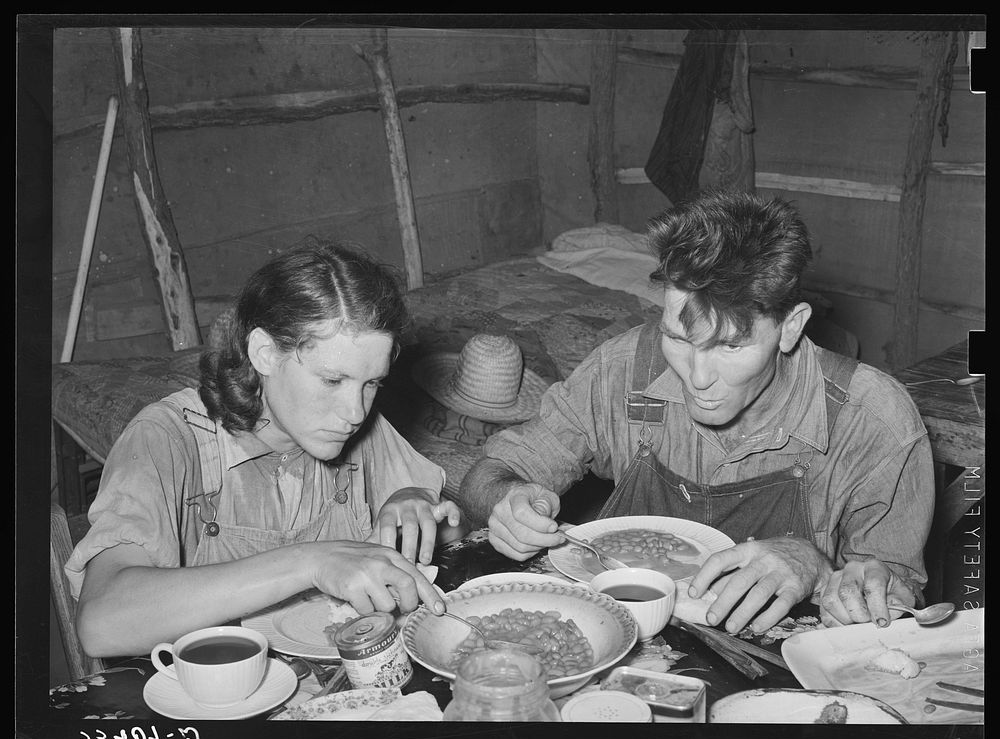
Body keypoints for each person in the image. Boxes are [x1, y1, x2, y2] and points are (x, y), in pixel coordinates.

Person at [459, 188, 934, 634]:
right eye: (679, 338)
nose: (698, 377)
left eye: (729, 346)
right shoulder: (622, 370)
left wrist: (818, 567)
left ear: (791, 328)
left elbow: (895, 600)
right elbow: (493, 472)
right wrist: (508, 500)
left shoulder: (875, 419)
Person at [67, 238, 466, 657]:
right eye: (332, 380)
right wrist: (313, 562)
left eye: (372, 383)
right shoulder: (167, 437)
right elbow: (100, 624)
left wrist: (413, 502)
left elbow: (455, 536)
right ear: (264, 354)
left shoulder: (355, 428)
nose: (354, 411)